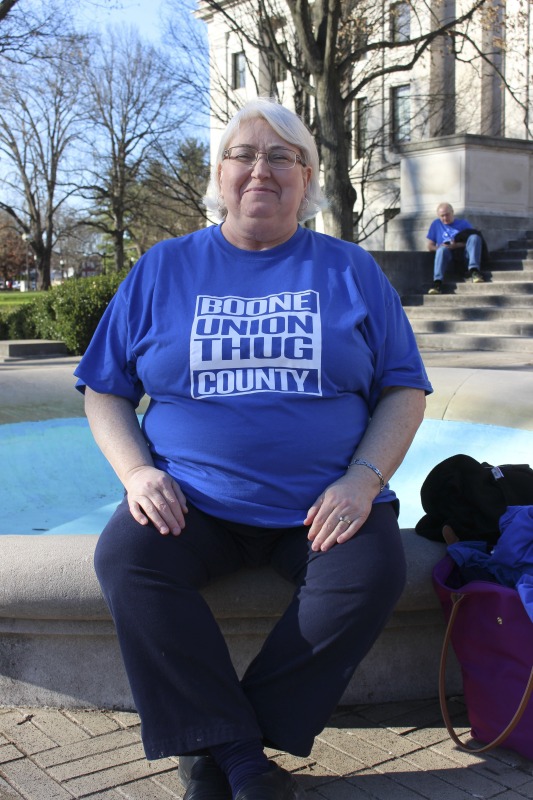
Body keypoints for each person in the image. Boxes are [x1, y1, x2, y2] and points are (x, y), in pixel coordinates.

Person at [75, 97, 432, 800]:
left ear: (306, 178)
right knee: (128, 560)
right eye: (243, 155)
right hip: (195, 502)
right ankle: (245, 763)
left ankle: (217, 751)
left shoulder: (350, 270)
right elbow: (103, 390)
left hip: (323, 501)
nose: (259, 170)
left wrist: (362, 480)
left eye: (280, 157)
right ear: (219, 173)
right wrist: (138, 470)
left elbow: (403, 389)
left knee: (367, 578)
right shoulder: (163, 268)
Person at [426, 202, 485, 294]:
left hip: (463, 256)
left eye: (447, 215)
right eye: (442, 216)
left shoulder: (463, 224)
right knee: (441, 250)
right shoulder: (436, 224)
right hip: (447, 258)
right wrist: (440, 248)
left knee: (474, 237)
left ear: (452, 212)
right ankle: (437, 283)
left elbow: (472, 243)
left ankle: (474, 271)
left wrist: (456, 245)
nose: (445, 218)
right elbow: (430, 246)